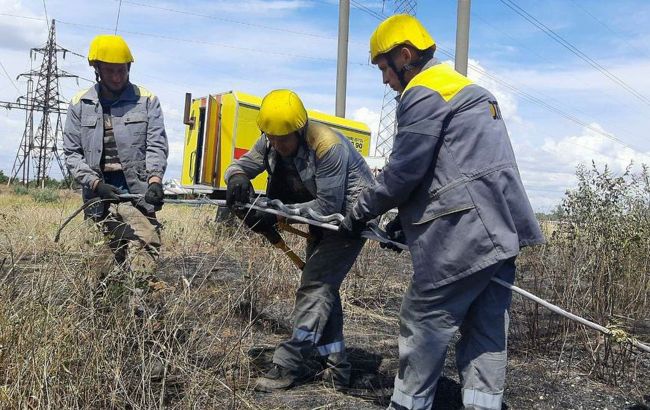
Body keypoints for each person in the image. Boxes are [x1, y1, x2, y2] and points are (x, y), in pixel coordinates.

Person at [339, 15, 545, 410]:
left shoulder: (423, 93)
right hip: (500, 232)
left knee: (422, 323)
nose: (385, 80)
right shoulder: (472, 91)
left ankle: (408, 404)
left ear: (405, 56)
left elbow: (404, 171)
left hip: (461, 236)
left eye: (384, 67)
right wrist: (404, 219)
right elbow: (455, 168)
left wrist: (358, 213)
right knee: (486, 331)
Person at [225, 89, 375, 391]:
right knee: (323, 290)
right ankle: (337, 369)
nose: (277, 146)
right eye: (272, 139)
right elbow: (240, 165)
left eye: (283, 139)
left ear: (299, 129)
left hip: (349, 222)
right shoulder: (270, 139)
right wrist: (237, 177)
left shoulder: (328, 146)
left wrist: (278, 215)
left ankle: (291, 363)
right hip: (318, 221)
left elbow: (328, 207)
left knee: (314, 286)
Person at [63, 34, 169, 277]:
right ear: (97, 69)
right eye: (110, 71)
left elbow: (156, 145)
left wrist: (154, 181)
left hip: (138, 189)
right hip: (99, 192)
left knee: (146, 244)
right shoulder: (79, 103)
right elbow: (71, 154)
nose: (117, 77)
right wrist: (96, 184)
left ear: (129, 67)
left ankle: (140, 310)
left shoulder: (147, 100)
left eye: (121, 70)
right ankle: (103, 309)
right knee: (104, 259)